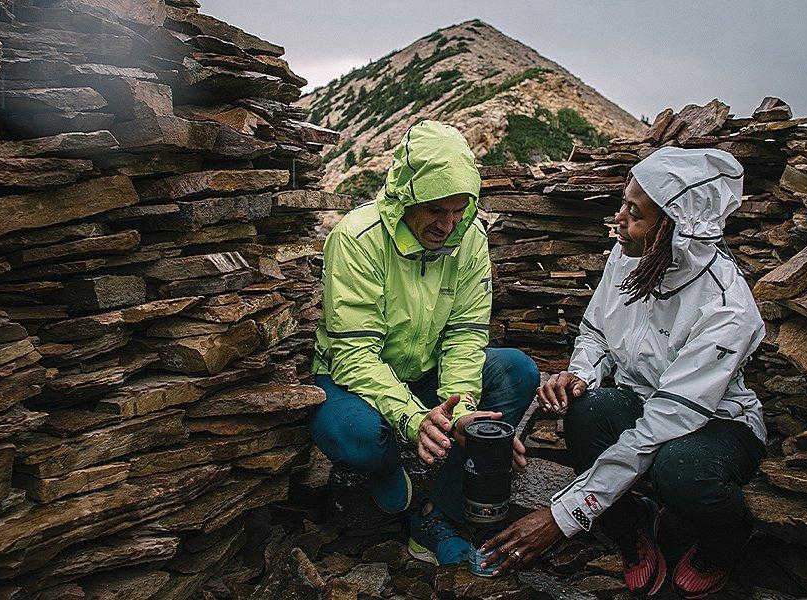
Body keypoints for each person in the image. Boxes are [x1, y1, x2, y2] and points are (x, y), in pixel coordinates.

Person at [482, 147, 768, 599]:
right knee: (585, 412)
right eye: (623, 203)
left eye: (633, 213)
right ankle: (632, 527)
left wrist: (565, 515)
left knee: (682, 469)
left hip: (716, 421)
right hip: (645, 403)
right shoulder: (629, 256)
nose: (619, 220)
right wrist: (581, 376)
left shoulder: (725, 308)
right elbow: (597, 331)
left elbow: (666, 421)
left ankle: (724, 543)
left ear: (671, 229)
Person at [310, 120, 539, 566]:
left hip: (427, 370)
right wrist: (415, 421)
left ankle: (439, 515)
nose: (447, 225)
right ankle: (385, 465)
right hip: (353, 376)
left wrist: (465, 410)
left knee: (517, 370)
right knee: (355, 436)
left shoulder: (468, 238)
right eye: (436, 209)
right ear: (406, 196)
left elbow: (465, 333)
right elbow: (355, 352)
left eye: (459, 211)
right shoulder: (356, 239)